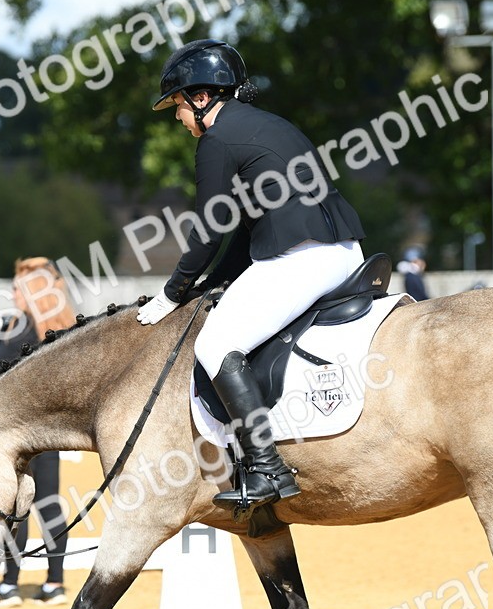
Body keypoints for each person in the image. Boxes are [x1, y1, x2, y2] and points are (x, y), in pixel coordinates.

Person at [136, 39, 367, 520]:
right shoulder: (273, 126)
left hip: (304, 257)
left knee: (216, 344)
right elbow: (244, 230)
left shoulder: (216, 141)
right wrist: (211, 286)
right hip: (345, 250)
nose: (177, 118)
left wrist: (172, 293)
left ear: (201, 98)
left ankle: (266, 466)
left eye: (177, 105)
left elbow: (208, 230)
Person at [0, 257, 76, 606]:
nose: (12, 292)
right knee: (49, 505)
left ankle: (10, 584)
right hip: (50, 433)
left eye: (17, 287)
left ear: (31, 292)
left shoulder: (21, 326)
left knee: (15, 509)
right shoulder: (60, 326)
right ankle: (55, 583)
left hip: (20, 433)